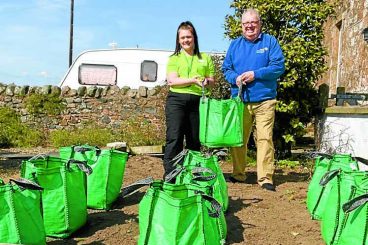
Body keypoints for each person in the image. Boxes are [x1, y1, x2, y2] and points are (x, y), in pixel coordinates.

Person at [222, 8, 285, 191]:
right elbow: (226, 69)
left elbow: (278, 66)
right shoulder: (235, 45)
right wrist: (235, 78)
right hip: (240, 101)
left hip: (265, 100)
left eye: (253, 23)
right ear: (241, 26)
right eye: (246, 23)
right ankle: (238, 174)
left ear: (259, 24)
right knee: (238, 140)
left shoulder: (270, 42)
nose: (249, 26)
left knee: (264, 138)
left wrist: (255, 74)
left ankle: (265, 178)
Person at [163, 21, 215, 177]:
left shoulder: (205, 58)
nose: (186, 40)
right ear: (178, 40)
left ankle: (194, 174)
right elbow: (172, 80)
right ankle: (171, 175)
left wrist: (206, 81)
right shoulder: (174, 59)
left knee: (194, 141)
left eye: (188, 37)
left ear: (194, 38)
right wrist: (193, 80)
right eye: (182, 37)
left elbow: (212, 81)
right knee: (174, 138)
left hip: (198, 102)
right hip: (176, 100)